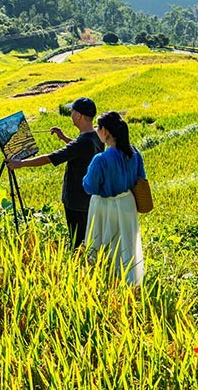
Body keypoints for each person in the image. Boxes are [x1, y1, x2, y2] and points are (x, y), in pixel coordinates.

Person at [7, 97, 103, 249]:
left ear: (78, 115)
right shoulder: (96, 136)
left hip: (76, 201)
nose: (71, 115)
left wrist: (21, 163)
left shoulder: (82, 142)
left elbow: (50, 158)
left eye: (72, 112)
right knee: (87, 238)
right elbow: (81, 150)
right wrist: (64, 138)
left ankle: (80, 267)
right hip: (88, 198)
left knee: (78, 242)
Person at [83, 111, 145, 286]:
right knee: (127, 242)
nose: (96, 130)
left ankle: (105, 281)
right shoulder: (134, 153)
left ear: (105, 131)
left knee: (103, 242)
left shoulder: (100, 159)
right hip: (127, 202)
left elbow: (90, 187)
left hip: (104, 206)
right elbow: (140, 178)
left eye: (98, 127)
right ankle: (130, 280)